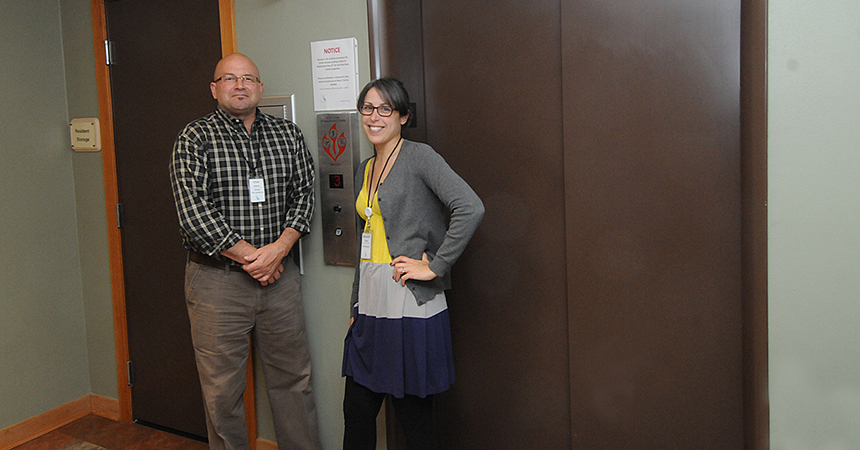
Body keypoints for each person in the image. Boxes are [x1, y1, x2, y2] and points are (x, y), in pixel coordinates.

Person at [169, 53, 321, 450]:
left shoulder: (288, 135)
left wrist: (279, 250)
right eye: (230, 79)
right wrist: (255, 259)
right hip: (217, 285)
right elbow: (194, 213)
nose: (240, 85)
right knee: (222, 394)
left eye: (248, 78)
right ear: (214, 88)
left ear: (260, 87)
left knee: (294, 381)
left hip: (279, 282)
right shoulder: (194, 138)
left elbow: (305, 196)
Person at [341, 78, 485, 449]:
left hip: (409, 300)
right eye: (367, 108)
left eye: (385, 108)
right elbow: (364, 243)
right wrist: (355, 304)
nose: (374, 117)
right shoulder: (364, 168)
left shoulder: (420, 157)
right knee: (356, 410)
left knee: (414, 419)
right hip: (371, 303)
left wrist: (435, 267)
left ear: (403, 116)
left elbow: (470, 207)